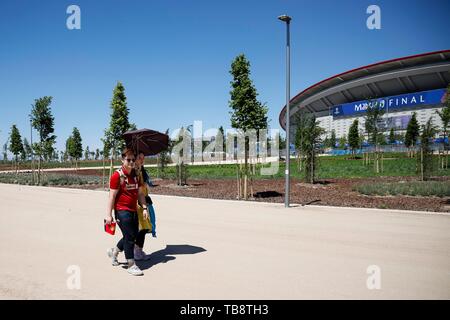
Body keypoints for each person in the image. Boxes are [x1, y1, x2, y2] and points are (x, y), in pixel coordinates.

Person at [105, 148, 149, 276]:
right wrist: (108, 215)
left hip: (134, 209)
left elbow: (141, 193)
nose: (131, 162)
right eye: (128, 159)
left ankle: (114, 252)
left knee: (132, 236)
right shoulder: (117, 176)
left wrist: (144, 207)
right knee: (130, 237)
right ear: (122, 160)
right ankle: (131, 264)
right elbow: (111, 196)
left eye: (132, 159)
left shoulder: (136, 174)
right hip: (121, 211)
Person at [134, 151, 153, 260]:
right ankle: (134, 251)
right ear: (135, 159)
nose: (142, 160)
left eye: (143, 158)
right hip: (137, 203)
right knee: (140, 229)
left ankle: (139, 250)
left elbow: (146, 186)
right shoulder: (133, 171)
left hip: (144, 200)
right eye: (140, 158)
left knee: (145, 228)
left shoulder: (142, 170)